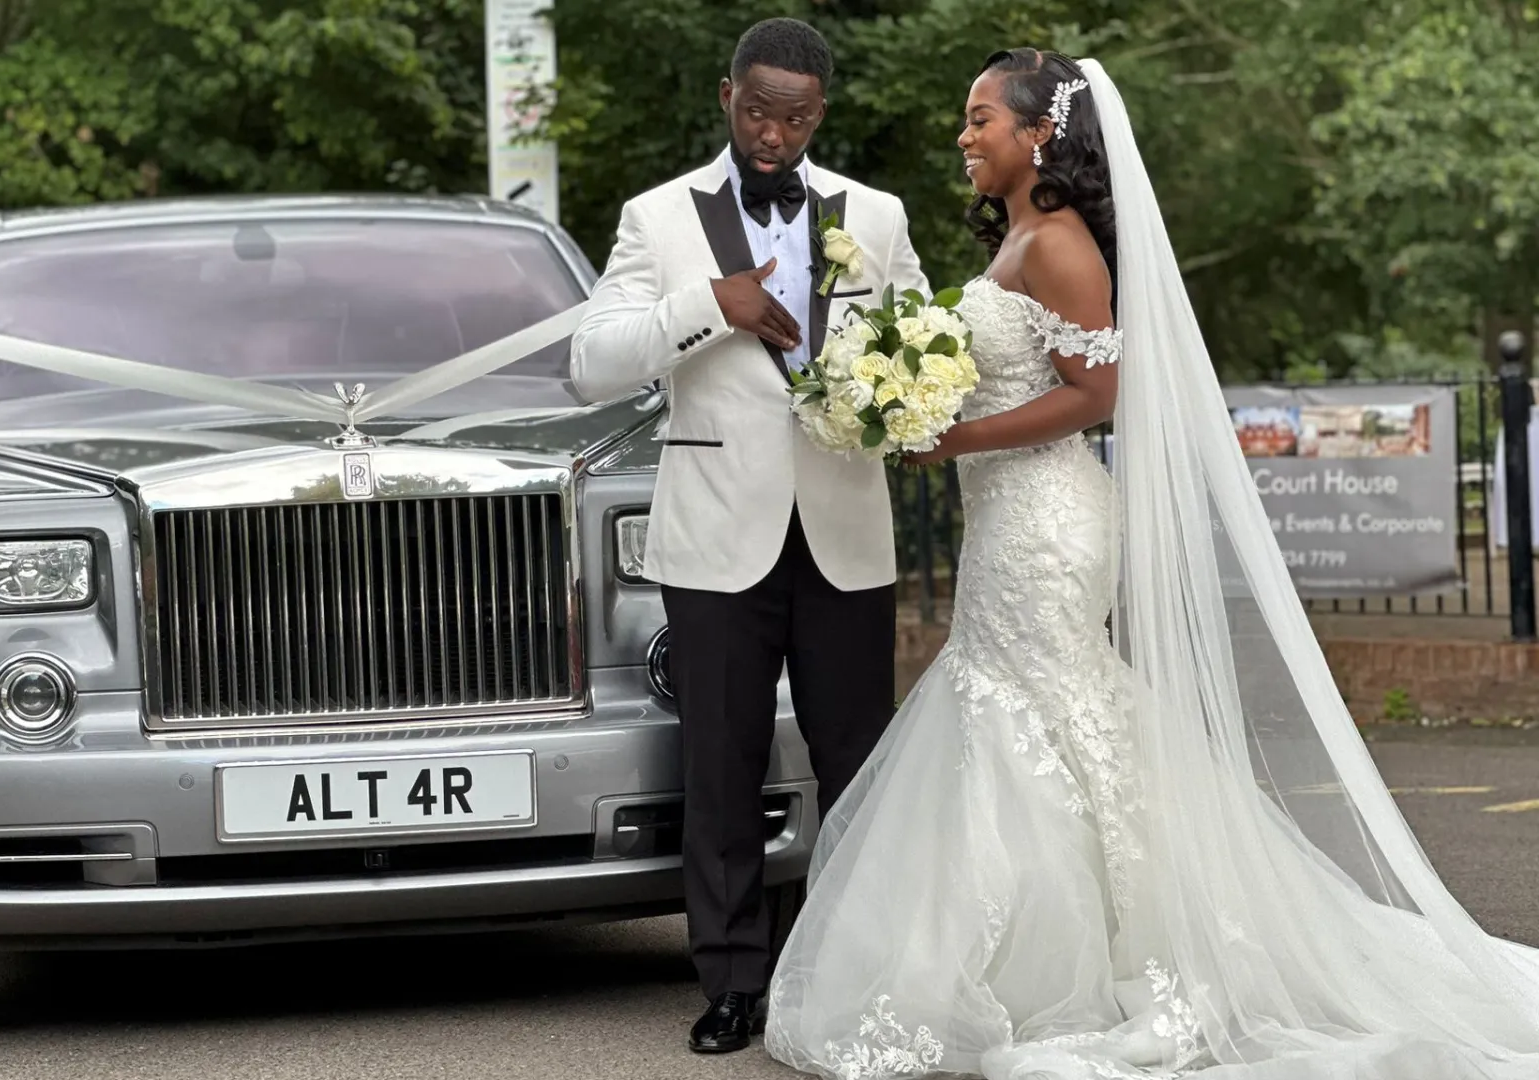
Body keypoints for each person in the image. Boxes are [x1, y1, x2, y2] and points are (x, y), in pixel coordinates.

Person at [763, 47, 1539, 1080]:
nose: (965, 135)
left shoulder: (1062, 244)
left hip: (1046, 521)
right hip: (1008, 520)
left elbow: (1097, 396)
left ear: (1039, 133)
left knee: (1039, 716)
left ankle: (1111, 961)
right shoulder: (1022, 240)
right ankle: (1044, 957)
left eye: (981, 117)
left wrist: (949, 438)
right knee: (1038, 720)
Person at [567, 17, 930, 1056]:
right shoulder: (656, 217)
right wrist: (710, 305)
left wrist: (895, 398)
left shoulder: (878, 214)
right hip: (717, 536)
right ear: (727, 96)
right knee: (719, 767)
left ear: (823, 111)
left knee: (855, 765)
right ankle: (734, 984)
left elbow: (914, 345)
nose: (775, 134)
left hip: (844, 529)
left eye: (798, 116)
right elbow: (592, 364)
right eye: (760, 110)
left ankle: (846, 969)